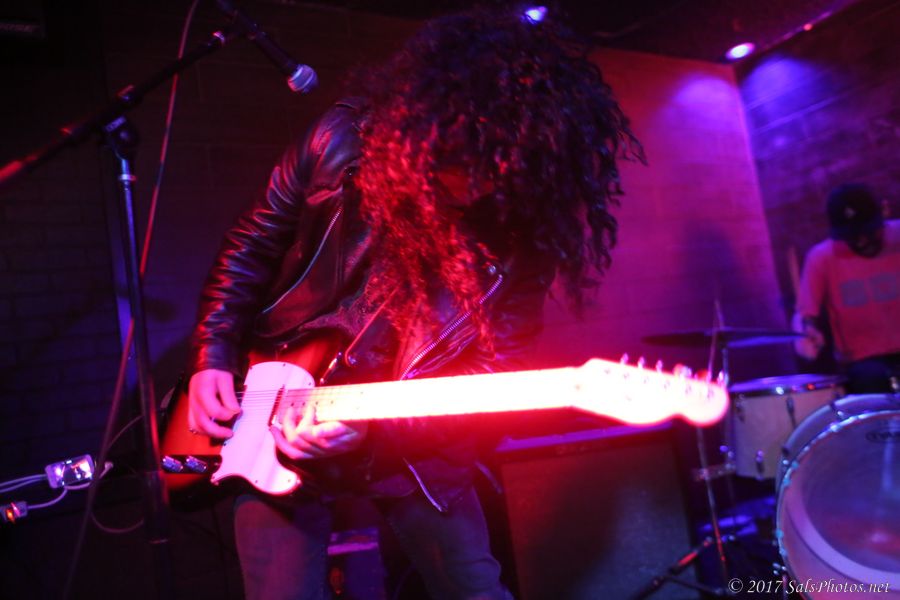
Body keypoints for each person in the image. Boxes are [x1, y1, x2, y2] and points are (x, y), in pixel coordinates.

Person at [185, 6, 641, 599]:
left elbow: (494, 369)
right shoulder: (339, 139)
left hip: (415, 448)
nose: (476, 185)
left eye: (498, 171)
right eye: (461, 161)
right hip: (274, 405)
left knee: (475, 590)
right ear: (423, 130)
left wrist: (376, 429)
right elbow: (252, 243)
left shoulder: (524, 235)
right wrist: (212, 355)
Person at [793, 183, 900, 393]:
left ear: (884, 213)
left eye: (868, 232)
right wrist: (808, 331)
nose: (861, 241)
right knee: (870, 380)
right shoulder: (821, 257)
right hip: (862, 362)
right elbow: (806, 314)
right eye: (852, 236)